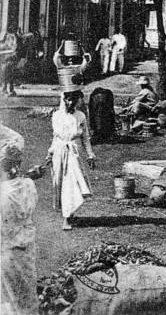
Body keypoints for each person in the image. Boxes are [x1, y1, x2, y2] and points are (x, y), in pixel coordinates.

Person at [1, 124, 42, 315]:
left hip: (7, 251)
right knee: (27, 294)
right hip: (26, 249)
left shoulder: (2, 193)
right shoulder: (28, 185)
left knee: (7, 299)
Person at [46, 90, 96, 230]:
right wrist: (50, 153)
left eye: (73, 99)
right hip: (60, 152)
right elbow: (56, 137)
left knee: (72, 183)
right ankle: (69, 212)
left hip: (75, 152)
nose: (70, 102)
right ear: (63, 100)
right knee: (60, 183)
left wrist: (90, 155)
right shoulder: (56, 116)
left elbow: (85, 138)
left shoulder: (80, 116)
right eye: (68, 99)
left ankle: (67, 218)